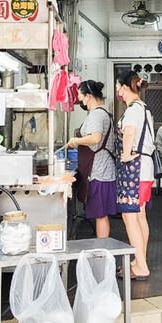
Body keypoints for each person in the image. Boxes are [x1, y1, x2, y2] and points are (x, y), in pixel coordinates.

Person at [115, 69, 155, 280]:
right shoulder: (145, 108)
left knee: (130, 216)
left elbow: (129, 132)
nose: (117, 92)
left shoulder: (132, 109)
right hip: (145, 168)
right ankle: (140, 259)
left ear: (123, 87)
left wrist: (125, 155)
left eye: (117, 87)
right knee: (139, 216)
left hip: (135, 168)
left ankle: (141, 266)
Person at [66, 80, 117, 238]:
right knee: (101, 215)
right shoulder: (104, 113)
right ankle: (102, 249)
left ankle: (102, 252)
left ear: (88, 96)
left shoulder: (96, 114)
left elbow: (95, 138)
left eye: (80, 96)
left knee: (100, 215)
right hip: (104, 170)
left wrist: (75, 141)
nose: (79, 100)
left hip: (98, 172)